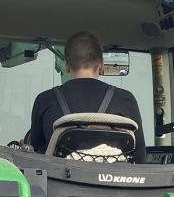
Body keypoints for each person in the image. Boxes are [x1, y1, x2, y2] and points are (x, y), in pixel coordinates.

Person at [27, 31, 145, 159]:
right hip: (115, 178)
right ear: (101, 64)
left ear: (66, 64)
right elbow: (139, 157)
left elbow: (35, 156)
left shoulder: (45, 100)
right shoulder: (126, 100)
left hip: (58, 179)